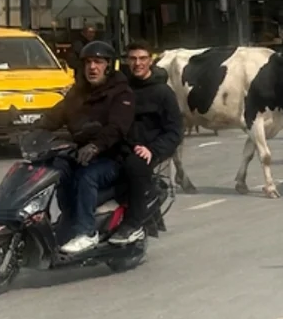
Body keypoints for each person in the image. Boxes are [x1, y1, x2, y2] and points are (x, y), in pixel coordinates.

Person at [36, 40, 135, 254]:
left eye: (98, 62)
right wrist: (35, 128)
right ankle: (66, 218)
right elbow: (57, 114)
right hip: (81, 154)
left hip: (112, 157)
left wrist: (96, 146)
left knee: (86, 176)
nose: (92, 67)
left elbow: (117, 128)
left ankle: (87, 232)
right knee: (55, 170)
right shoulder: (78, 93)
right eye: (88, 62)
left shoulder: (121, 93)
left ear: (109, 66)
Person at [114, 40, 184, 244]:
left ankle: (133, 224)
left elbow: (175, 131)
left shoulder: (163, 93)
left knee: (134, 166)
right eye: (133, 59)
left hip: (150, 149)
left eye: (142, 58)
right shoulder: (122, 89)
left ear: (151, 60)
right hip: (124, 145)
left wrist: (153, 150)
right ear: (127, 61)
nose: (138, 63)